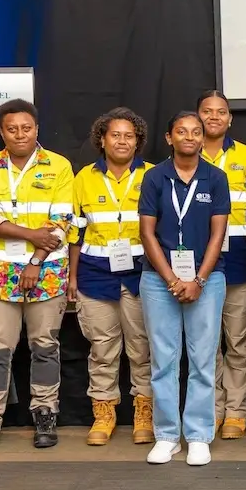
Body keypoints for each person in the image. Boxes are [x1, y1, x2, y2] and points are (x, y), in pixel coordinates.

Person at [0, 99, 75, 456]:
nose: (20, 134)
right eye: (12, 129)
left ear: (37, 129)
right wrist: (31, 236)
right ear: (2, 132)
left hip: (46, 271)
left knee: (45, 347)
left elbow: (61, 222)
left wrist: (35, 261)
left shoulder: (58, 166)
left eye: (26, 128)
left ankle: (45, 414)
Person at [138, 112, 232, 467]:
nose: (190, 137)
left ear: (203, 137)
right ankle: (166, 435)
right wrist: (173, 280)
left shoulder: (216, 177)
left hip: (207, 279)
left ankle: (197, 435)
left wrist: (199, 281)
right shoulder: (154, 177)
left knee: (203, 361)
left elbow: (217, 234)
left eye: (196, 131)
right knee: (163, 361)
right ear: (169, 138)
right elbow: (147, 233)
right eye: (182, 131)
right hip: (159, 279)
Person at [72, 107, 154, 445]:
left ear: (137, 142)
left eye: (128, 136)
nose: (122, 141)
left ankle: (144, 414)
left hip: (141, 274)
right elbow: (74, 233)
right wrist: (72, 277)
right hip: (94, 276)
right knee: (102, 348)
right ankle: (103, 414)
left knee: (142, 348)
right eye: (115, 135)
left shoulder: (154, 175)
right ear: (102, 140)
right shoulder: (83, 178)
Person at [198, 90, 246, 439]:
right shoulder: (186, 156)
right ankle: (212, 409)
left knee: (238, 340)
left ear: (230, 118)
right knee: (206, 342)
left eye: (221, 112)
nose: (214, 117)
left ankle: (236, 410)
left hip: (238, 259)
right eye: (207, 111)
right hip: (196, 260)